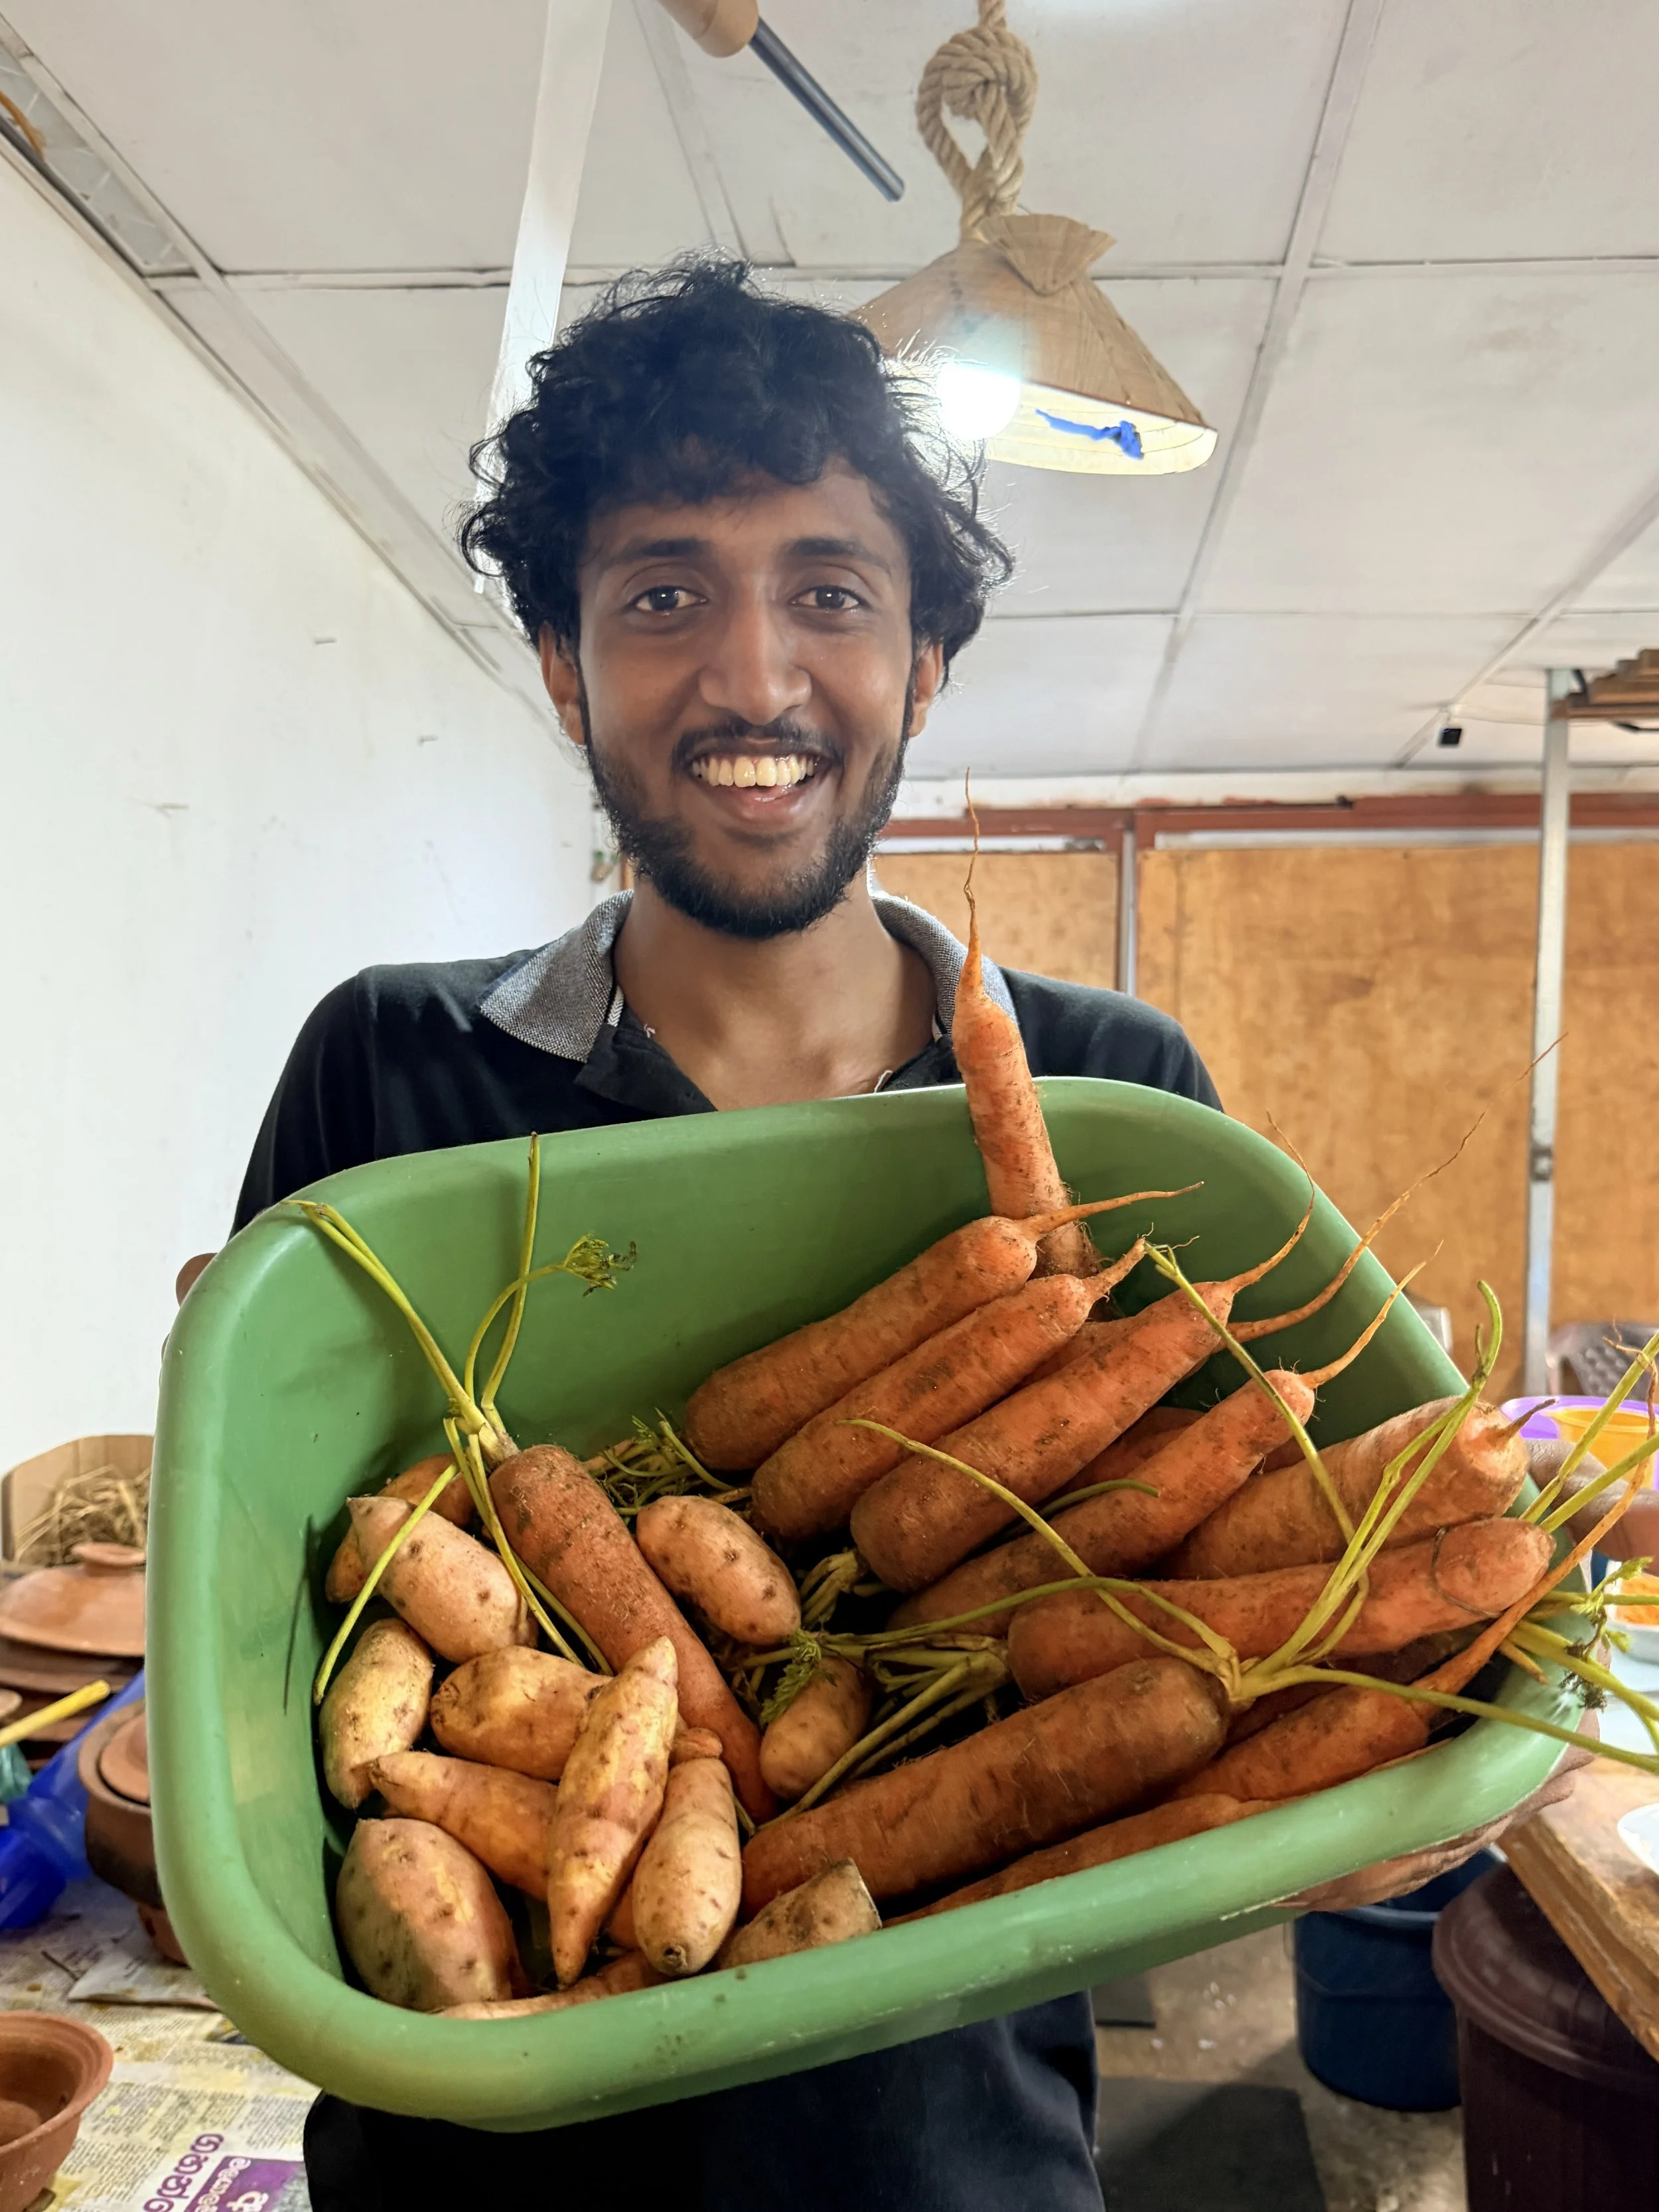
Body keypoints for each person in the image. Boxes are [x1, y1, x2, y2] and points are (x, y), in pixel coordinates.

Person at [192, 261, 1586, 2211]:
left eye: (830, 593)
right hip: (470, 2150)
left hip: (952, 2171)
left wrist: (1350, 1811)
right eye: (663, 590)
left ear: (923, 662)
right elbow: (261, 1652)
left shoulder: (1119, 1096)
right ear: (562, 665)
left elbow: (1317, 1696)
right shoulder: (388, 1065)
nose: (753, 676)